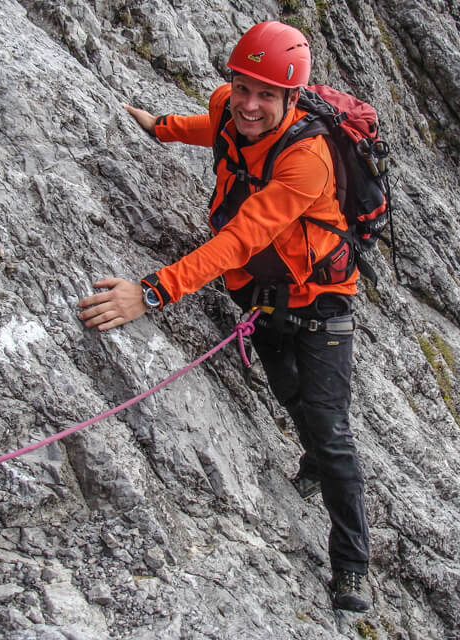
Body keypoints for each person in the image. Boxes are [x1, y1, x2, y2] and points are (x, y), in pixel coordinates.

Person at [78, 20, 370, 612]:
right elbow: (216, 128)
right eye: (243, 87)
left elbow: (240, 238)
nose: (250, 103)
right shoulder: (227, 107)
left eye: (267, 94)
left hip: (322, 302)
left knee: (332, 433)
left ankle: (352, 566)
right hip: (259, 297)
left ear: (292, 99)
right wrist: (160, 128)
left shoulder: (307, 161)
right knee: (289, 394)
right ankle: (309, 452)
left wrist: (153, 291)